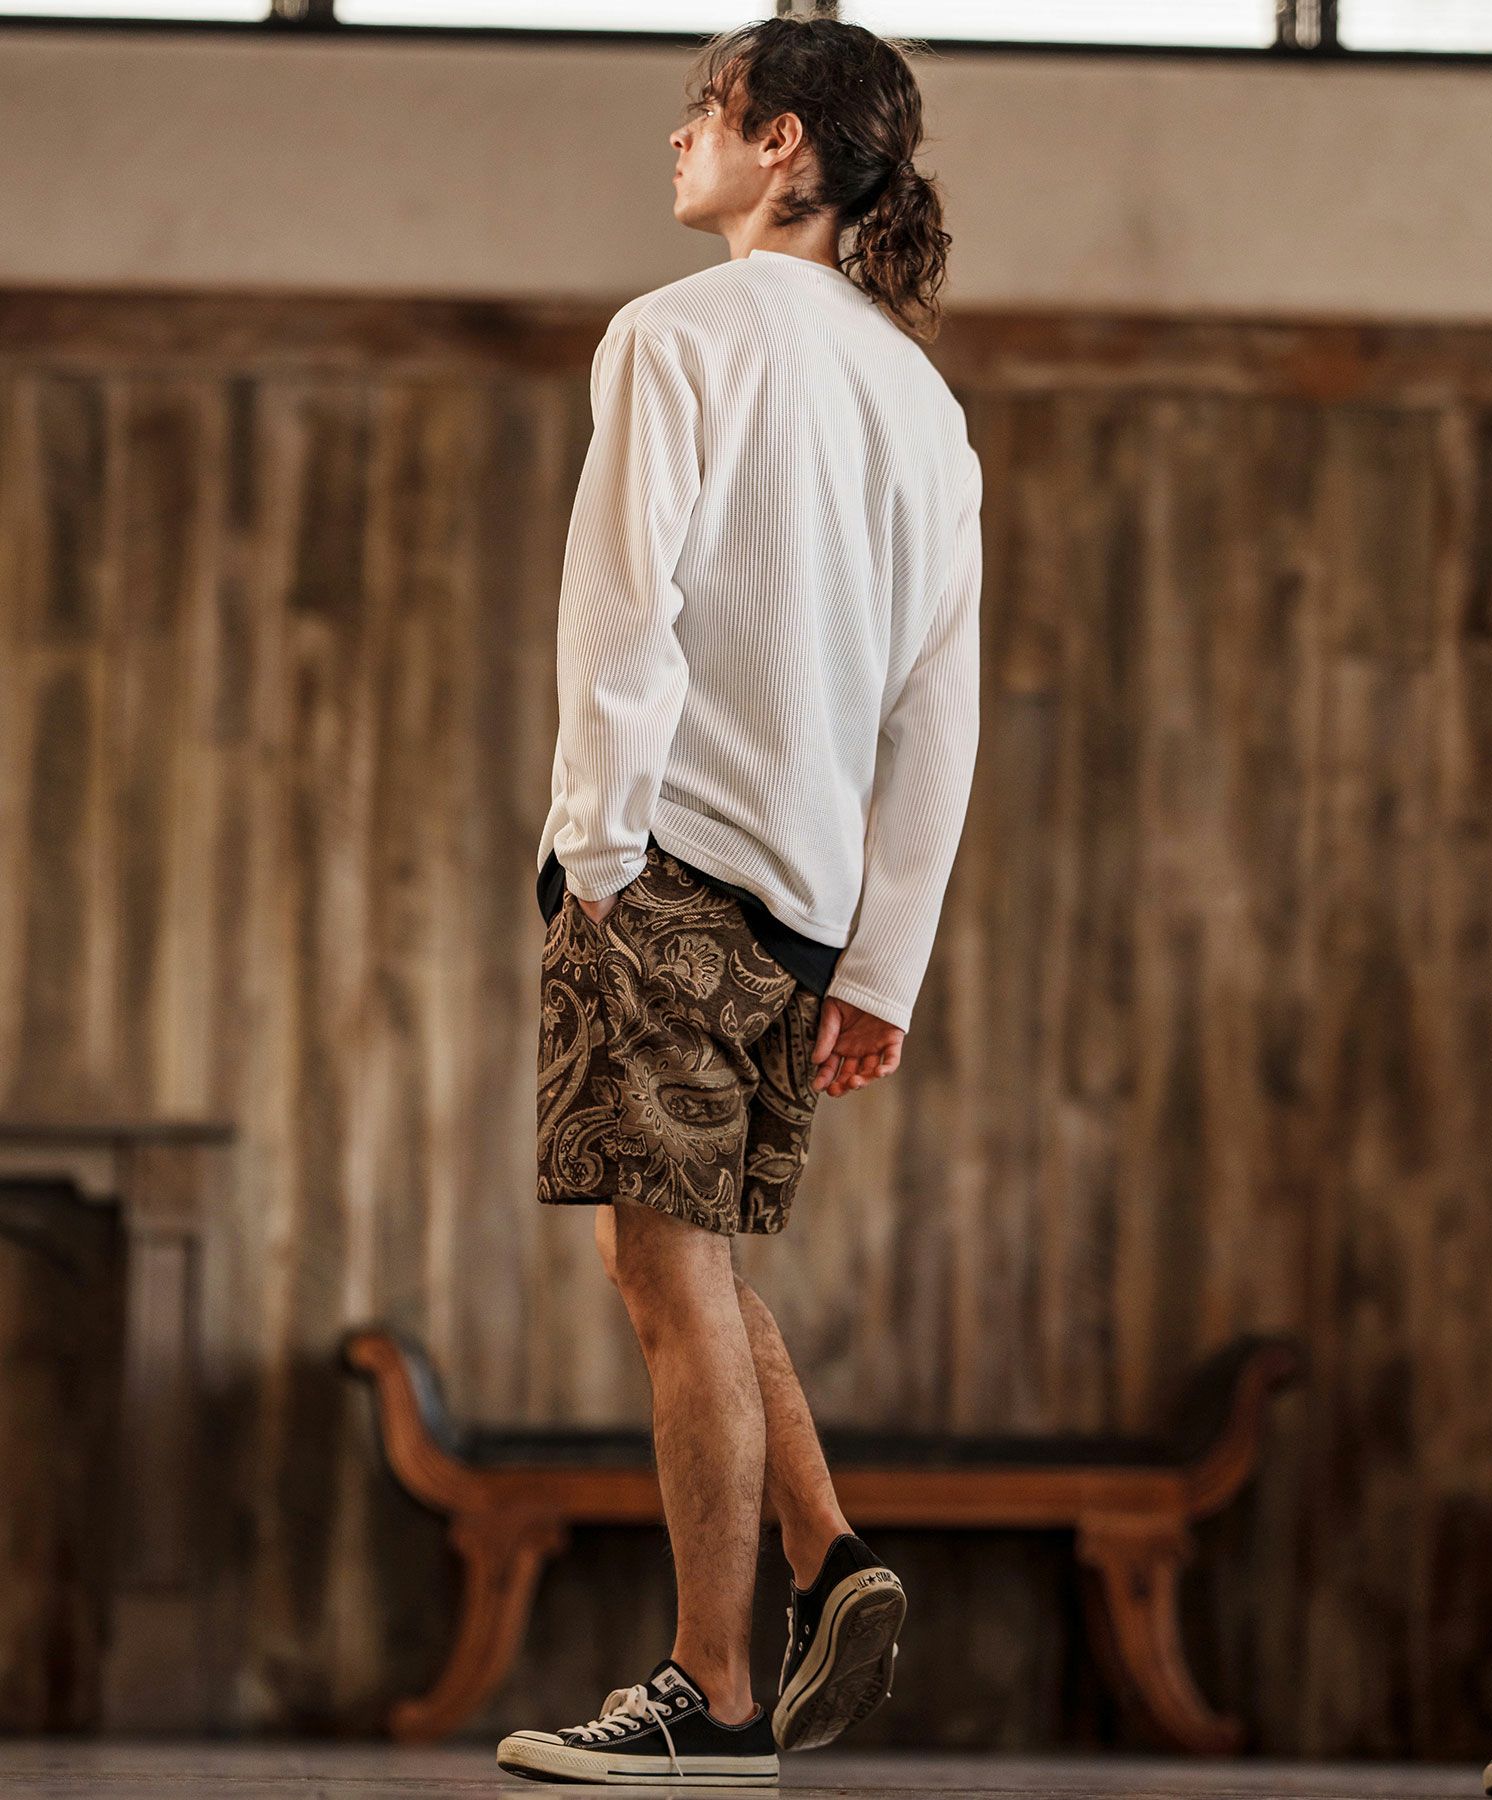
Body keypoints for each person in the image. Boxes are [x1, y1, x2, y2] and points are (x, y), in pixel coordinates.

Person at [503, 13, 983, 1785]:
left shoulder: (678, 334)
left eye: (701, 111)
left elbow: (623, 617)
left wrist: (596, 857)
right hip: (802, 911)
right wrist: (883, 964)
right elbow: (940, 712)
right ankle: (828, 1553)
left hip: (669, 865)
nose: (676, 141)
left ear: (782, 142)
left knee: (663, 1271)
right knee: (685, 1249)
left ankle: (709, 1695)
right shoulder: (923, 404)